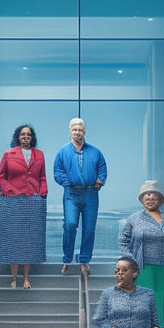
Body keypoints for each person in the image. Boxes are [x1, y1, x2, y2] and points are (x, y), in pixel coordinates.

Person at [119, 180, 164, 328]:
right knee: (145, 297)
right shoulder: (134, 219)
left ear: (160, 199)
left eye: (153, 194)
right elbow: (122, 241)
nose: (149, 198)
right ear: (142, 199)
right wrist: (130, 261)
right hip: (143, 266)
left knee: (161, 298)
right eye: (146, 195)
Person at [0, 125, 47, 289]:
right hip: (13, 202)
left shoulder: (39, 155)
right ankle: (13, 278)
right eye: (23, 134)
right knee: (13, 240)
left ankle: (26, 278)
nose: (26, 137)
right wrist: (10, 191)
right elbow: (1, 177)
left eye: (29, 135)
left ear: (32, 137)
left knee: (29, 241)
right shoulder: (8, 154)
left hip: (32, 202)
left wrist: (42, 192)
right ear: (18, 137)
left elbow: (43, 176)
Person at [53, 117, 107, 276]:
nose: (78, 132)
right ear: (70, 132)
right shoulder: (63, 151)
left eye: (80, 130)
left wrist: (100, 179)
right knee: (70, 224)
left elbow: (102, 168)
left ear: (84, 132)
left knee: (89, 229)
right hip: (71, 193)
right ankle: (67, 258)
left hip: (91, 193)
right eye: (75, 130)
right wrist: (66, 182)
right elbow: (57, 171)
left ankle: (84, 260)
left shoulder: (95, 151)